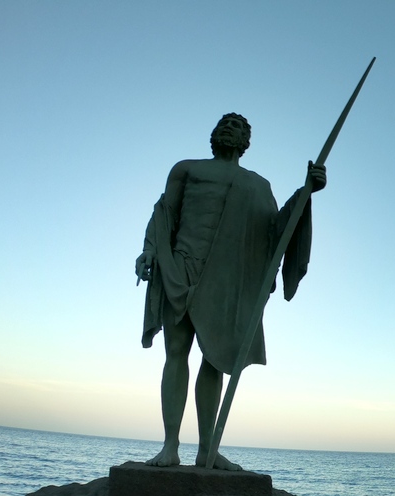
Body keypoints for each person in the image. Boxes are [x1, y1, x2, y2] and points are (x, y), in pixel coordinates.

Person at [135, 113, 327, 470]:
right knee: (176, 352)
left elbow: (272, 233)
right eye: (224, 124)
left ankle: (207, 449)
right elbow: (164, 213)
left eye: (237, 127)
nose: (228, 129)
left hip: (227, 280)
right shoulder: (187, 169)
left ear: (245, 143)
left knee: (215, 360)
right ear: (213, 134)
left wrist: (305, 194)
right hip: (182, 266)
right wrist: (149, 249)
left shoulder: (257, 184)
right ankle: (170, 446)